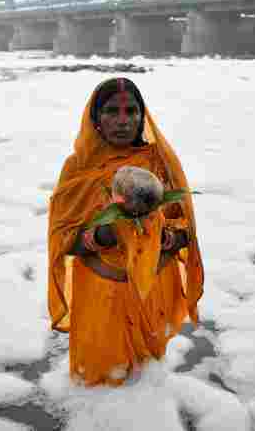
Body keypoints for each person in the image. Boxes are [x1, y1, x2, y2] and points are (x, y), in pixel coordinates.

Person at [47, 77, 204, 386]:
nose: (122, 120)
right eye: (111, 111)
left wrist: (166, 238)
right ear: (95, 119)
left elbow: (186, 228)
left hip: (151, 292)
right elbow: (63, 239)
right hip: (101, 292)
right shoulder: (78, 168)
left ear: (141, 116)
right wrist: (104, 236)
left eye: (131, 111)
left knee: (147, 380)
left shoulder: (159, 163)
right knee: (101, 382)